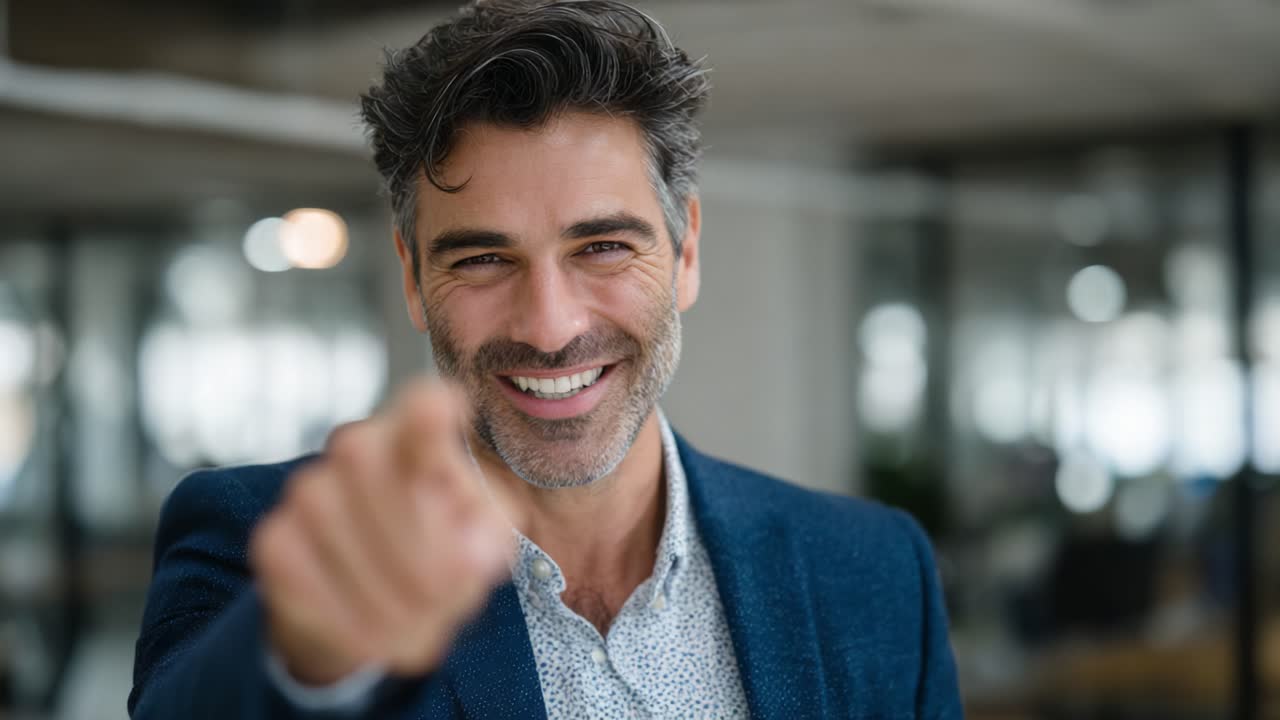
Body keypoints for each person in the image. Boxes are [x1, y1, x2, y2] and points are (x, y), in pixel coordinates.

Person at [127, 1, 963, 718]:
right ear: (414, 277)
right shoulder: (263, 540)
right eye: (483, 260)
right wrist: (306, 658)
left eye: (601, 246)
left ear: (686, 252)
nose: (551, 327)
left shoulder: (874, 570)